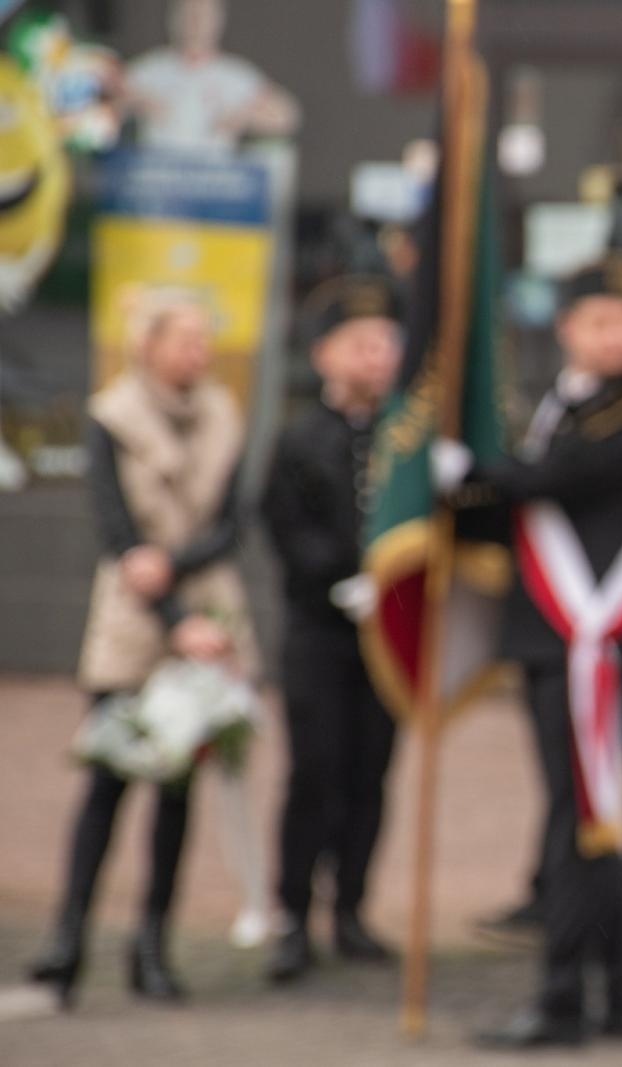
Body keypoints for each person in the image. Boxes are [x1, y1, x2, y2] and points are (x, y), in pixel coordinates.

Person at [443, 253, 622, 1048]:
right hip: (555, 637)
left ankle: (561, 1000)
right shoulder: (562, 403)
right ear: (568, 328)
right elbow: (524, 502)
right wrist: (458, 496)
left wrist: (473, 473)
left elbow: (557, 477)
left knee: (577, 817)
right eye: (600, 322)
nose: (617, 337)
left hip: (603, 643)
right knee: (586, 813)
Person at [28, 289, 256, 1006]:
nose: (198, 352)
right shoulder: (112, 415)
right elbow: (115, 525)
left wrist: (184, 595)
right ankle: (68, 937)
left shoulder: (224, 415)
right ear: (147, 345)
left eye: (204, 339)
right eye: (184, 339)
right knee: (108, 777)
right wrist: (165, 606)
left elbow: (231, 522)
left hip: (204, 613)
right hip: (131, 618)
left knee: (177, 789)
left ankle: (152, 945)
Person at [260, 275, 404, 983]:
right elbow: (287, 527)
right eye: (359, 344)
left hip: (387, 635)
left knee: (370, 771)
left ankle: (351, 905)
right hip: (320, 628)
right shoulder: (300, 437)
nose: (375, 357)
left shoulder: (405, 438)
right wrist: (341, 573)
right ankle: (292, 912)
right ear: (324, 355)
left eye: (384, 343)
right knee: (316, 769)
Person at [121, 0, 299, 157]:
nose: (195, 23)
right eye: (189, 14)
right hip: (159, 171)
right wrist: (137, 100)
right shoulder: (149, 69)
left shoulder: (236, 75)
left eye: (203, 15)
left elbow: (286, 117)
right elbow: (111, 102)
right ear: (174, 18)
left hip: (215, 173)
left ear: (217, 20)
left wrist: (243, 116)